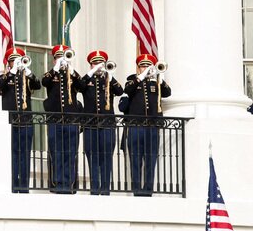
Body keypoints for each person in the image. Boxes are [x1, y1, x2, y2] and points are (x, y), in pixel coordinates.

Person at [119, 53, 170, 196]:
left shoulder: (156, 83)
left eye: (148, 66)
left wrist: (159, 77)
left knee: (150, 159)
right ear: (138, 68)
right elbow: (127, 90)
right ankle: (136, 189)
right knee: (135, 159)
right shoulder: (132, 81)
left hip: (152, 127)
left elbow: (167, 92)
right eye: (143, 66)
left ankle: (148, 190)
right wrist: (142, 76)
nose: (146, 68)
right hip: (136, 127)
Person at [0, 46, 41, 194]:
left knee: (25, 154)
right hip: (11, 122)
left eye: (19, 60)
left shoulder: (26, 76)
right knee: (13, 154)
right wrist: (11, 72)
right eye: (14, 60)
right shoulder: (4, 77)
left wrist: (27, 71)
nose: (17, 63)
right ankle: (14, 185)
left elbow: (37, 85)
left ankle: (24, 186)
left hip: (26, 120)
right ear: (9, 63)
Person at [78, 50, 122, 195]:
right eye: (95, 63)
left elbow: (119, 90)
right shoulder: (88, 80)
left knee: (106, 156)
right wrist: (92, 72)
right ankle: (95, 188)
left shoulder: (108, 80)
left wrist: (110, 74)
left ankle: (105, 189)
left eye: (100, 63)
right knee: (92, 156)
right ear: (91, 65)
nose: (98, 65)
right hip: (91, 125)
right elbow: (79, 86)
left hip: (107, 125)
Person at [41, 45, 81, 193]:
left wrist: (71, 69)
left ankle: (69, 183)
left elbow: (82, 85)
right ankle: (57, 183)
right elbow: (43, 82)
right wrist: (56, 68)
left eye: (64, 56)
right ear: (54, 59)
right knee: (56, 152)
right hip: (55, 120)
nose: (62, 59)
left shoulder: (72, 74)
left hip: (71, 120)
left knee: (71, 153)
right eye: (59, 56)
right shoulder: (51, 75)